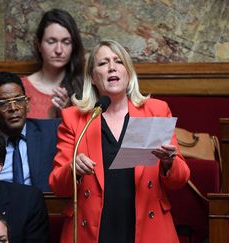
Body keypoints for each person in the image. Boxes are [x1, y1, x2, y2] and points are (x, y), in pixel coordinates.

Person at [49, 39, 190, 243]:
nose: (112, 67)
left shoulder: (156, 111)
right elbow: (57, 185)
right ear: (93, 78)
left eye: (118, 61)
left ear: (129, 72)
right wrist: (74, 169)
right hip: (94, 229)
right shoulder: (75, 118)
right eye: (103, 63)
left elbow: (180, 179)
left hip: (147, 227)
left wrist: (169, 162)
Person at [21, 8, 84, 118]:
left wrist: (68, 112)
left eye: (66, 42)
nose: (59, 50)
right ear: (39, 45)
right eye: (51, 42)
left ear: (73, 46)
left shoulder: (84, 87)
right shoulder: (21, 88)